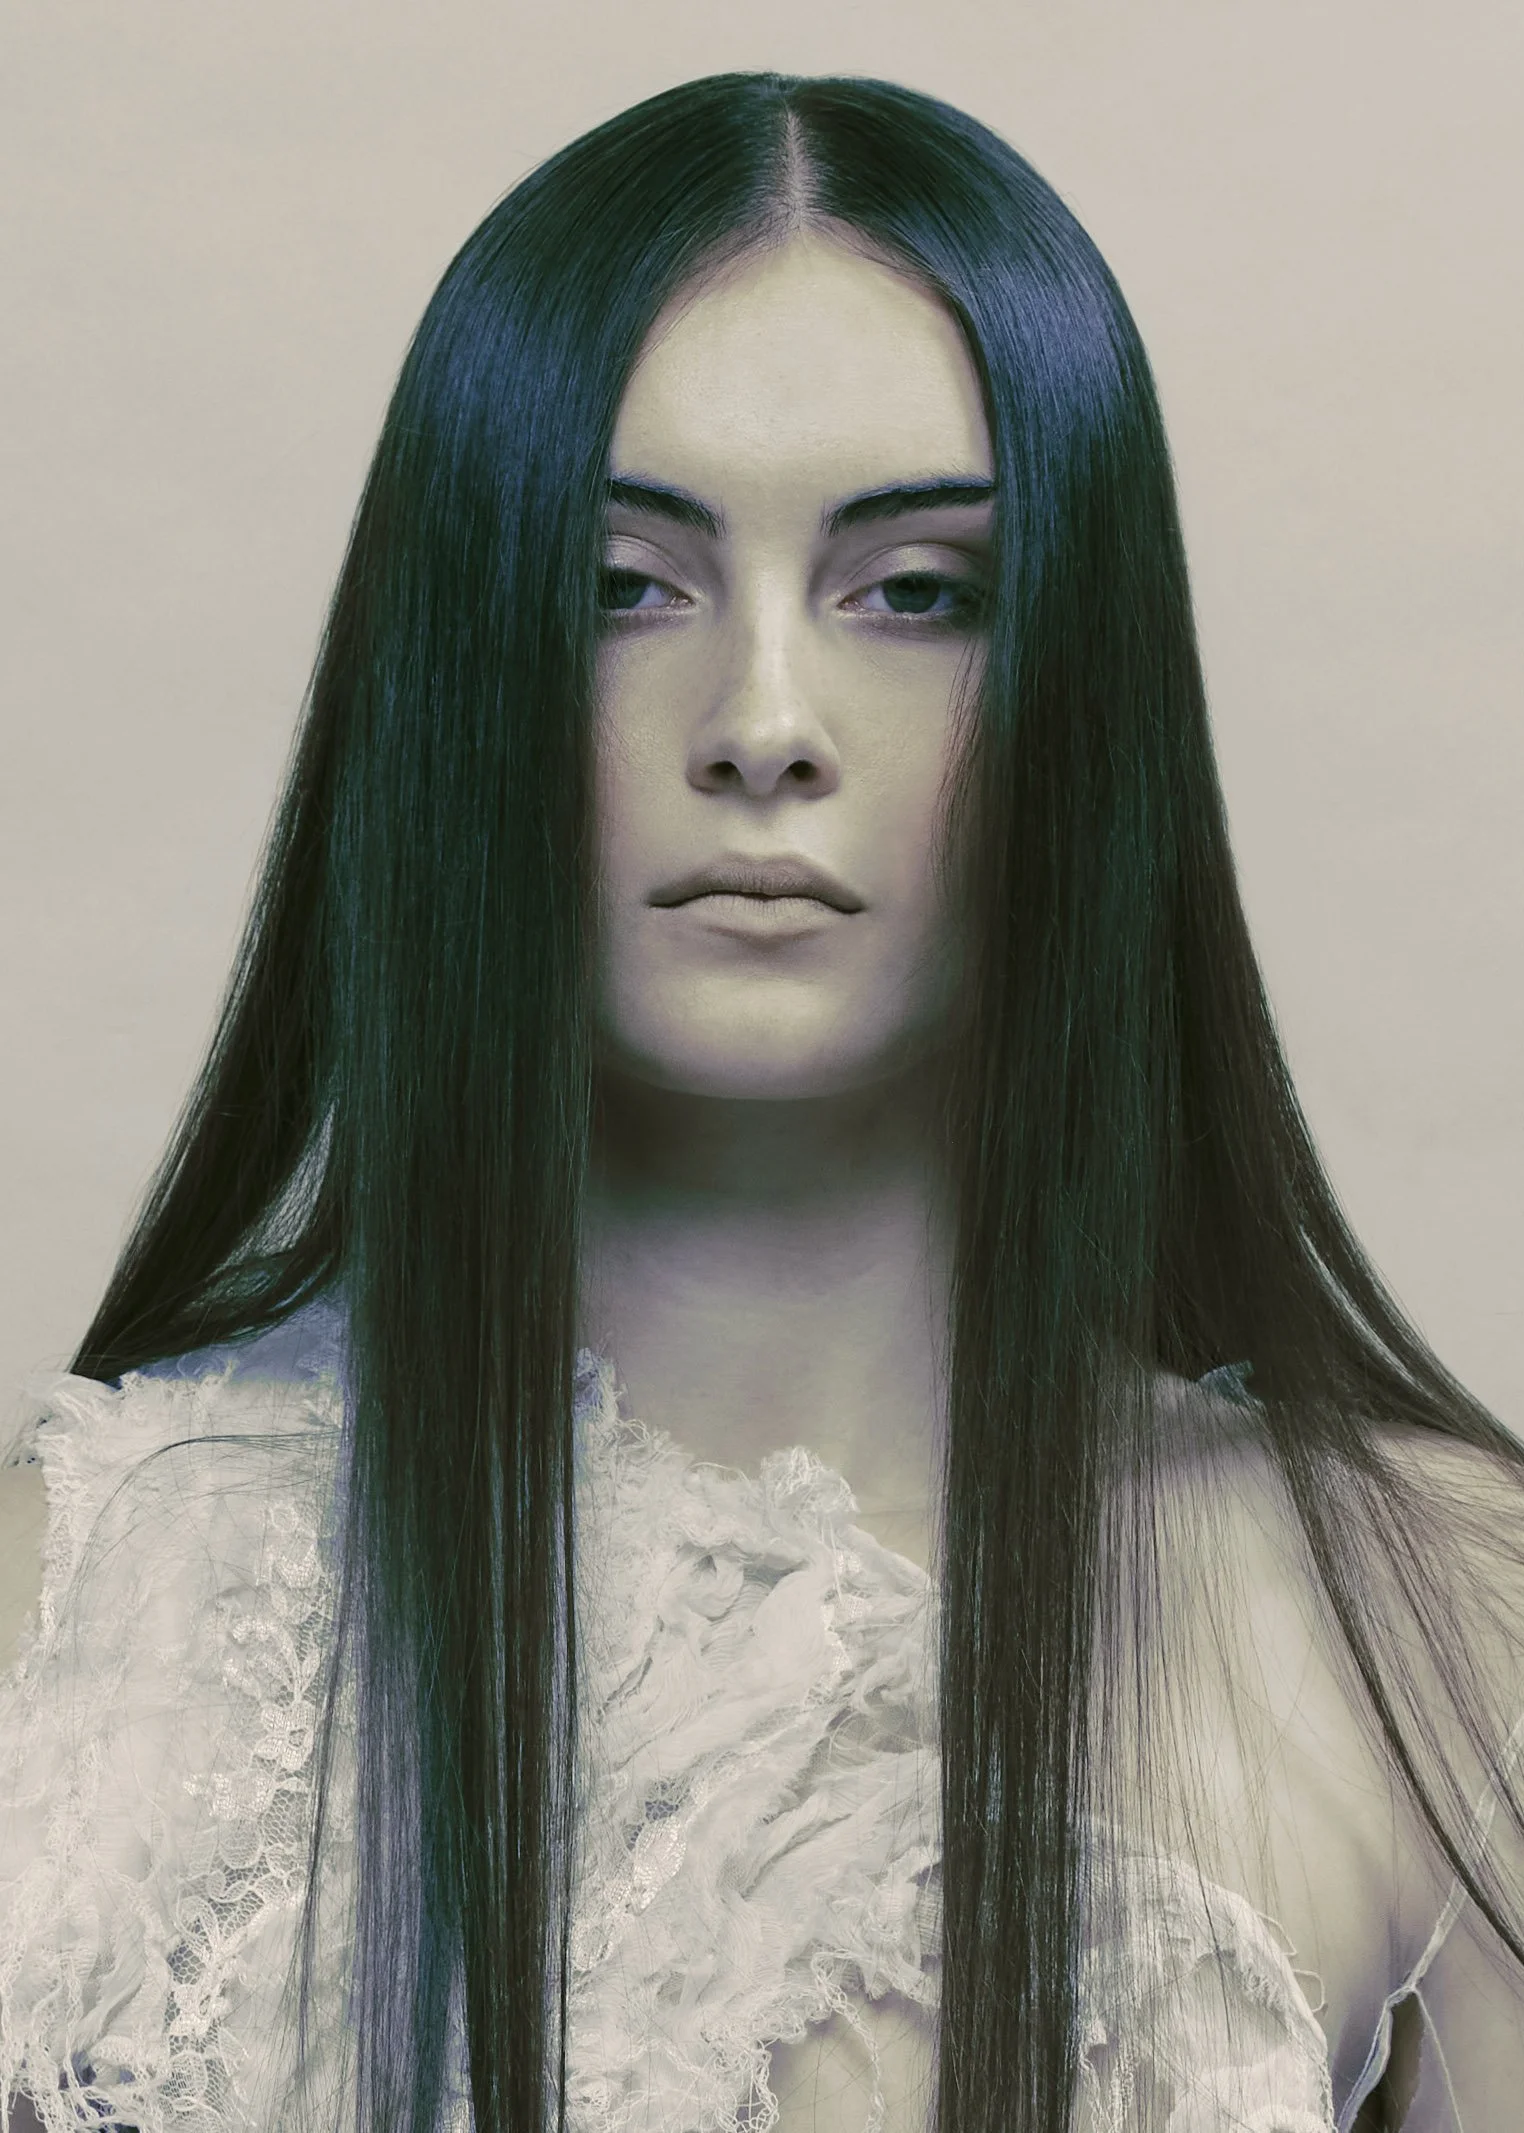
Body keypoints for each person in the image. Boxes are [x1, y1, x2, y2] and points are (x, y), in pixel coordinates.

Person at [2, 68, 1523, 2133]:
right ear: (456, 673)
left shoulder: (1429, 1620)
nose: (764, 724)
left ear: (1088, 691)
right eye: (621, 584)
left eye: (917, 591)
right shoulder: (73, 1610)